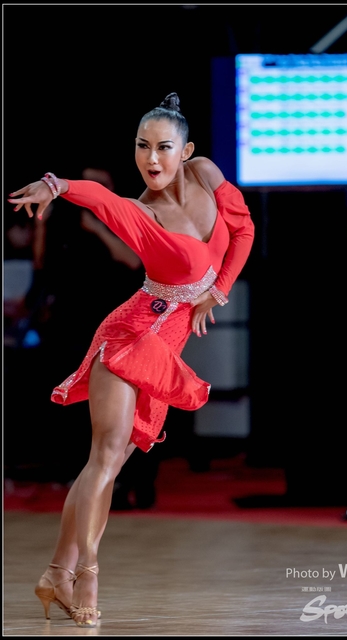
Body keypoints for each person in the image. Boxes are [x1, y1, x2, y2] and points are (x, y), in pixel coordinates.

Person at [8, 92, 255, 627]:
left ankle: (56, 572)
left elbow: (244, 229)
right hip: (131, 335)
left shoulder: (207, 174)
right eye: (142, 147)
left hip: (165, 345)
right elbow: (99, 197)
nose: (152, 159)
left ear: (185, 150)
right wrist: (57, 185)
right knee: (105, 458)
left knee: (109, 462)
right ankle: (87, 575)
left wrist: (219, 290)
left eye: (163, 147)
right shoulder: (144, 211)